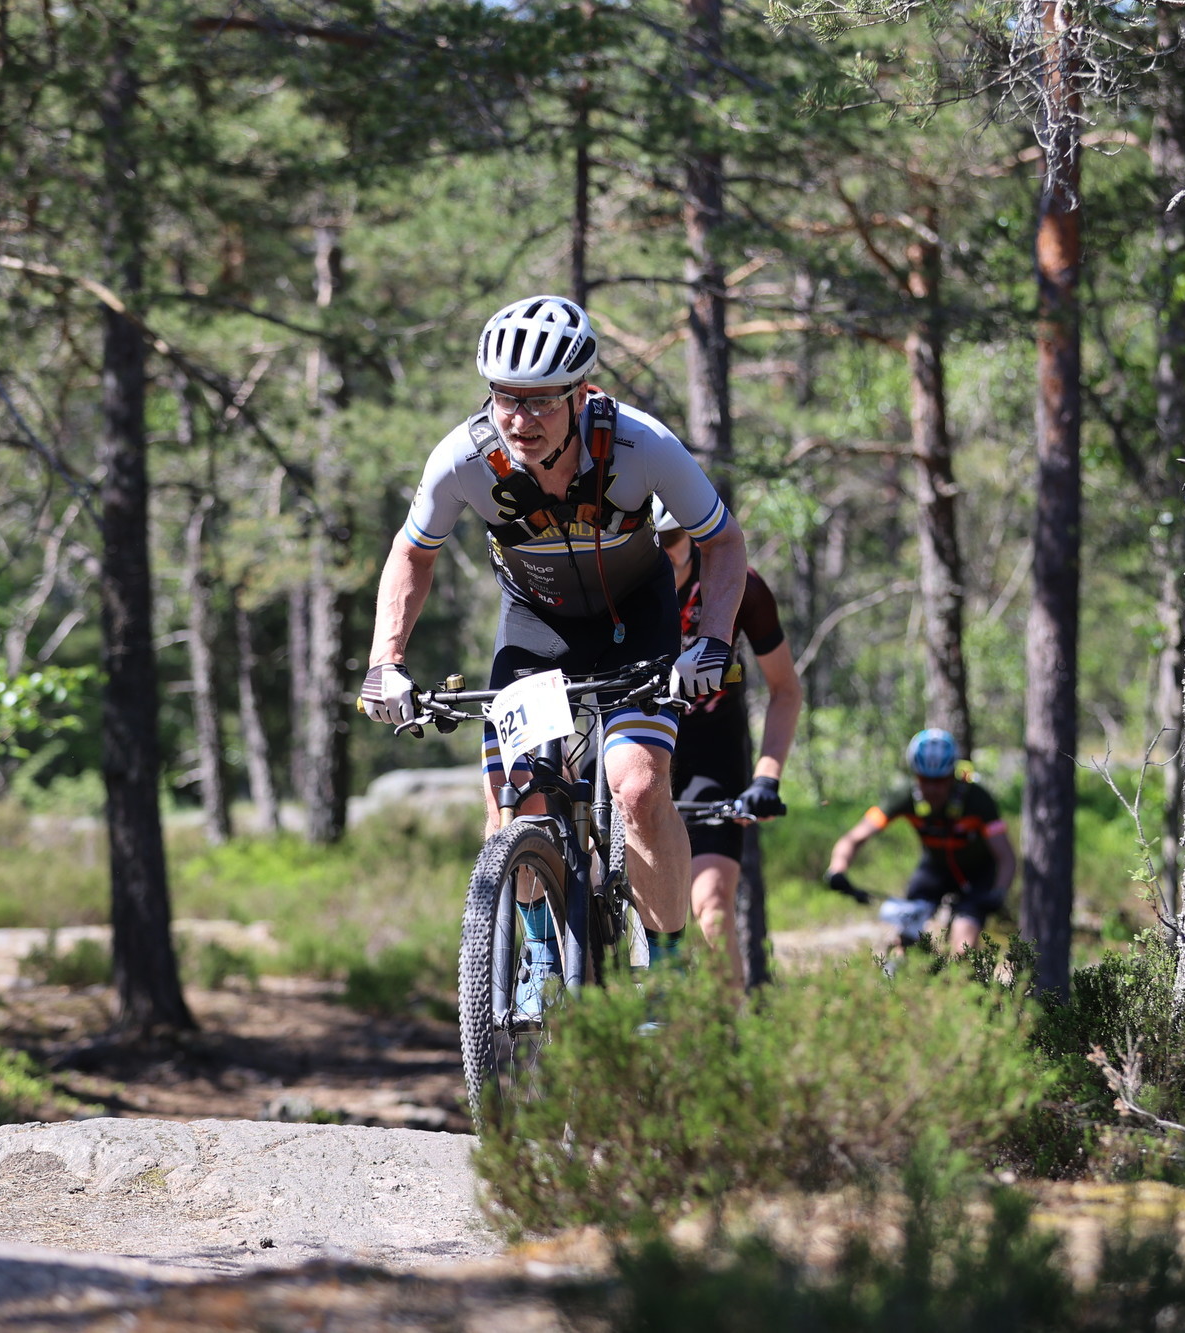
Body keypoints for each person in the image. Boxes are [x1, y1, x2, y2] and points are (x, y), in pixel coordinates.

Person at [359, 295, 749, 1009]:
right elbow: (412, 554)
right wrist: (387, 660)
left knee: (637, 785)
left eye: (541, 401)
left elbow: (722, 541)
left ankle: (666, 968)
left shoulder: (641, 445)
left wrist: (712, 642)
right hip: (537, 633)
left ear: (580, 394)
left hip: (637, 625)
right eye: (506, 397)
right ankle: (539, 951)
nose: (520, 419)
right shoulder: (464, 457)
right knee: (515, 795)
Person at [656, 499, 802, 987]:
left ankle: (730, 1031)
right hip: (629, 742)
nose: (664, 551)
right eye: (649, 541)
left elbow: (785, 690)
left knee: (713, 905)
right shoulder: (612, 583)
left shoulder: (739, 586)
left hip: (709, 753)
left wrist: (767, 779)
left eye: (672, 538)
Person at [823, 729, 1016, 954]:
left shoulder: (978, 800)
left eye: (940, 781)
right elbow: (854, 838)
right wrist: (837, 870)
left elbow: (1006, 857)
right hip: (934, 869)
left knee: (964, 944)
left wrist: (998, 892)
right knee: (906, 937)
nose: (932, 789)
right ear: (915, 775)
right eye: (925, 780)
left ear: (952, 775)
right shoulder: (903, 796)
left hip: (978, 875)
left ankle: (962, 974)